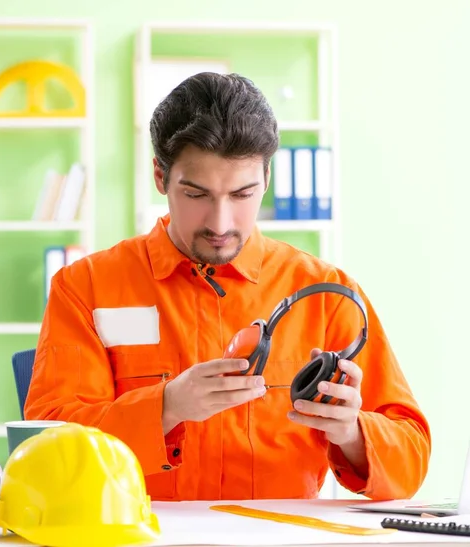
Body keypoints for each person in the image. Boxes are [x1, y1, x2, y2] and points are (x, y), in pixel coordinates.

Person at [24, 72, 430, 501]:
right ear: (160, 176)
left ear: (267, 181)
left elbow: (412, 459)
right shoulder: (84, 287)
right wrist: (166, 407)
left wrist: (352, 433)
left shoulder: (327, 293)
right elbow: (47, 448)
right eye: (197, 195)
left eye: (242, 195)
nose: (220, 224)